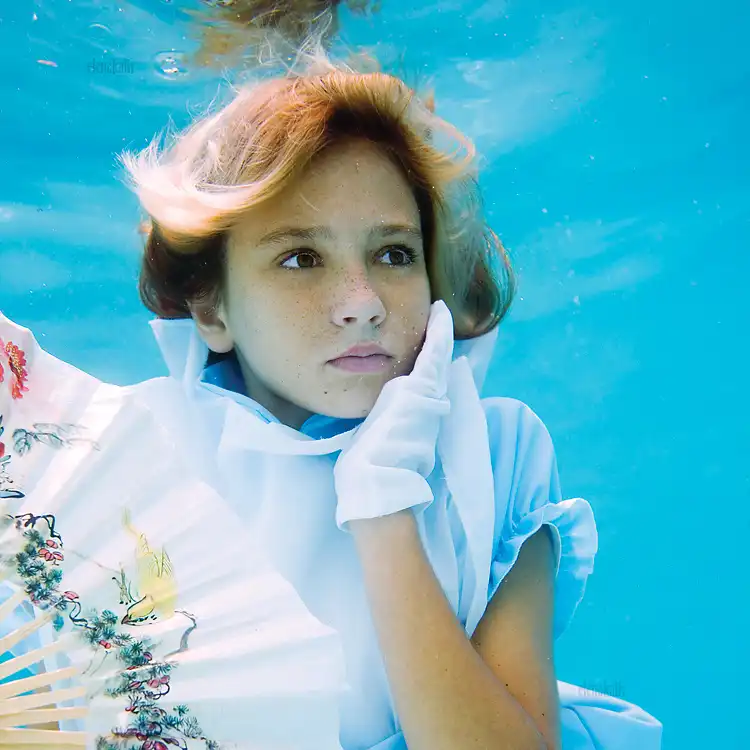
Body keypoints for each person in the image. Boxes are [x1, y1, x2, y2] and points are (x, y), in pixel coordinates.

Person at [0, 50, 662, 749]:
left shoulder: (499, 452)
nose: (363, 302)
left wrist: (384, 510)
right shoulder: (117, 456)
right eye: (300, 258)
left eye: (394, 253)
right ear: (210, 307)